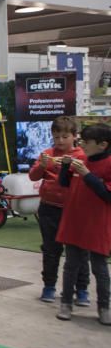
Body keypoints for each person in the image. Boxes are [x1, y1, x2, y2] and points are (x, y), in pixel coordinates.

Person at [54, 123, 111, 325]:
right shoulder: (79, 159)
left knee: (100, 268)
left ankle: (104, 306)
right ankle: (66, 303)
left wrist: (87, 173)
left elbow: (106, 194)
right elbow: (65, 183)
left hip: (97, 224)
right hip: (74, 222)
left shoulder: (108, 164)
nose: (82, 146)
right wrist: (65, 168)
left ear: (103, 145)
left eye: (87, 142)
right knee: (71, 265)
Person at [28, 116, 89, 304]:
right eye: (56, 137)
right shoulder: (47, 153)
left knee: (79, 252)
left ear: (74, 136)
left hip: (75, 210)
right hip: (49, 208)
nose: (60, 141)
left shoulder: (82, 156)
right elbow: (32, 176)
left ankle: (82, 290)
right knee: (51, 250)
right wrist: (43, 166)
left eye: (64, 137)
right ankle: (49, 286)